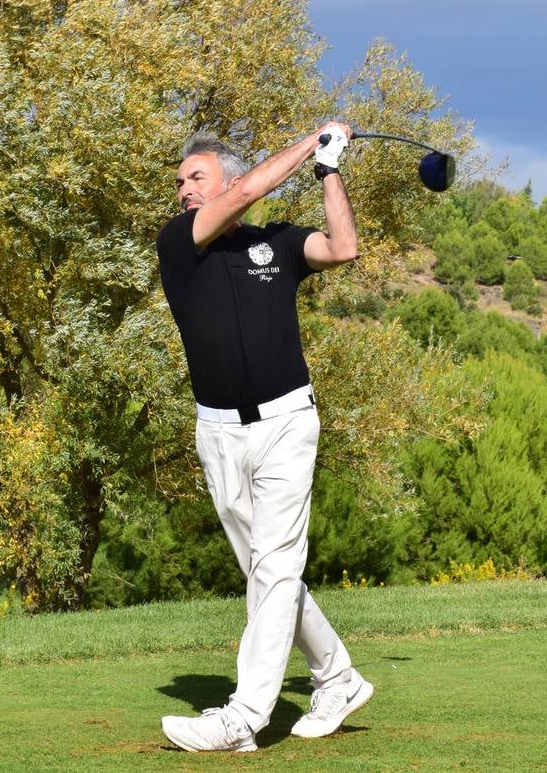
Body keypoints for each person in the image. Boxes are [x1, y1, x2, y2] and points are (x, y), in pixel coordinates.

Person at [155, 123, 373, 753]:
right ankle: (338, 678)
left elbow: (343, 247)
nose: (184, 190)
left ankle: (243, 717)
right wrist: (313, 139)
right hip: (218, 434)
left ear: (221, 176)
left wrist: (328, 169)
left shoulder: (275, 244)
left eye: (196, 178)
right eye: (180, 182)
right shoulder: (180, 243)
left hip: (285, 424)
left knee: (275, 568)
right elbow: (248, 191)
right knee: (266, 572)